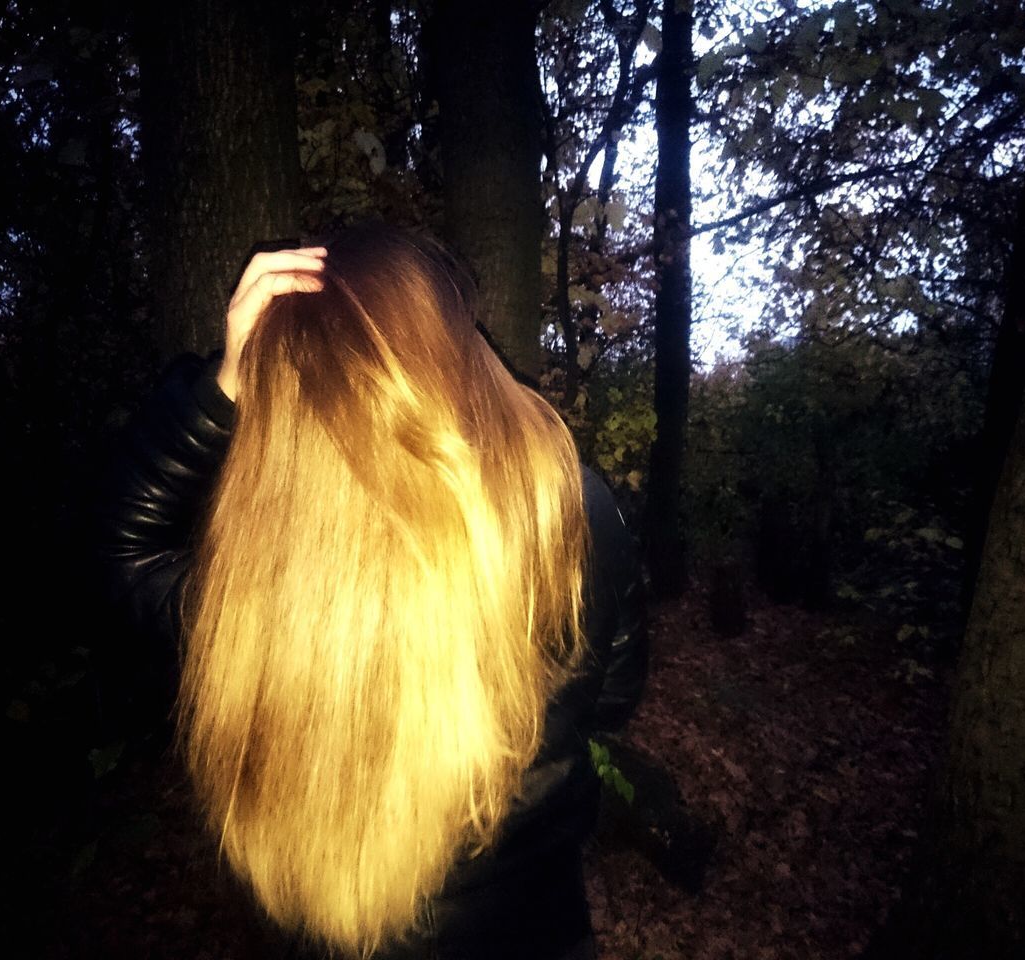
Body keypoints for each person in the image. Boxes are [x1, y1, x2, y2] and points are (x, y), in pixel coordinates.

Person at [94, 221, 649, 960]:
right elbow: (611, 697)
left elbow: (124, 552)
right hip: (532, 930)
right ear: (452, 349)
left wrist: (220, 385)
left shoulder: (259, 593)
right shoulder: (566, 509)